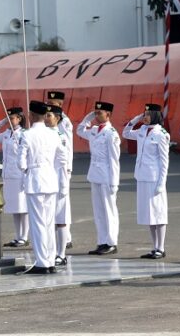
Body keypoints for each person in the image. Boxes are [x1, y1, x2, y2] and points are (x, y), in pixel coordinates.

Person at [18, 101, 68, 274]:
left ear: (31, 115)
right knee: (48, 223)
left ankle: (42, 262)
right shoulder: (54, 134)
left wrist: (26, 169)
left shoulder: (27, 135)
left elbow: (21, 162)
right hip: (50, 179)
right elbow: (63, 157)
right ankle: (50, 260)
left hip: (35, 180)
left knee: (38, 223)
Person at [123, 103, 170, 259]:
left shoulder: (161, 134)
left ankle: (161, 247)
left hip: (154, 177)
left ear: (155, 115)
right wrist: (135, 119)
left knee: (159, 212)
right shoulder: (142, 130)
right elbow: (126, 133)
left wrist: (162, 183)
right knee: (149, 214)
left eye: (148, 114)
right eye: (144, 114)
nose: (145, 117)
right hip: (142, 175)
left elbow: (164, 161)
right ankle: (154, 247)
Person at [77, 101, 121, 255]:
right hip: (95, 174)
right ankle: (102, 241)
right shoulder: (94, 130)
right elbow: (80, 130)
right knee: (99, 211)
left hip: (107, 176)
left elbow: (114, 160)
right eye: (95, 113)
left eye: (99, 113)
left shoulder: (111, 133)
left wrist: (114, 182)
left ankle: (111, 243)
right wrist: (87, 118)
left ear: (108, 114)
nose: (96, 116)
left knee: (109, 211)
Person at [0, 107, 29, 248]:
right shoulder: (6, 133)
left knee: (23, 207)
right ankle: (17, 236)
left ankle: (24, 237)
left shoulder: (24, 134)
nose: (10, 120)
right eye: (8, 118)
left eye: (12, 118)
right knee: (13, 208)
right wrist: (0, 123)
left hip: (19, 174)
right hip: (8, 174)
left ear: (19, 118)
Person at [44, 104, 72, 266]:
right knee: (49, 219)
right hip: (47, 181)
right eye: (46, 115)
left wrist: (63, 186)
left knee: (60, 218)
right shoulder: (44, 135)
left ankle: (61, 254)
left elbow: (63, 162)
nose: (46, 118)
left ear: (57, 118)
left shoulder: (60, 136)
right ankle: (51, 252)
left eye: (49, 115)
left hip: (58, 182)